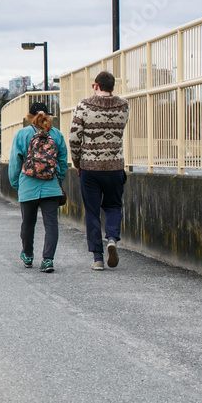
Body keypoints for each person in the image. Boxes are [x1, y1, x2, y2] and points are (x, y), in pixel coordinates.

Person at [68, 70, 130, 270]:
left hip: (90, 168)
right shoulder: (123, 105)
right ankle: (112, 238)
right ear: (113, 87)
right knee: (113, 206)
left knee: (92, 211)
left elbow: (74, 138)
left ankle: (97, 258)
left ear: (96, 85)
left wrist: (77, 163)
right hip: (114, 166)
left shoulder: (84, 105)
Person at [8, 102, 68, 273]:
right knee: (51, 224)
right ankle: (48, 260)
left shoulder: (22, 134)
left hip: (28, 185)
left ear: (29, 115)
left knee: (28, 222)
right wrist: (57, 179)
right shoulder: (56, 135)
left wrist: (16, 184)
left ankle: (28, 255)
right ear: (48, 116)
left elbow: (15, 162)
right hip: (51, 187)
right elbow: (63, 163)